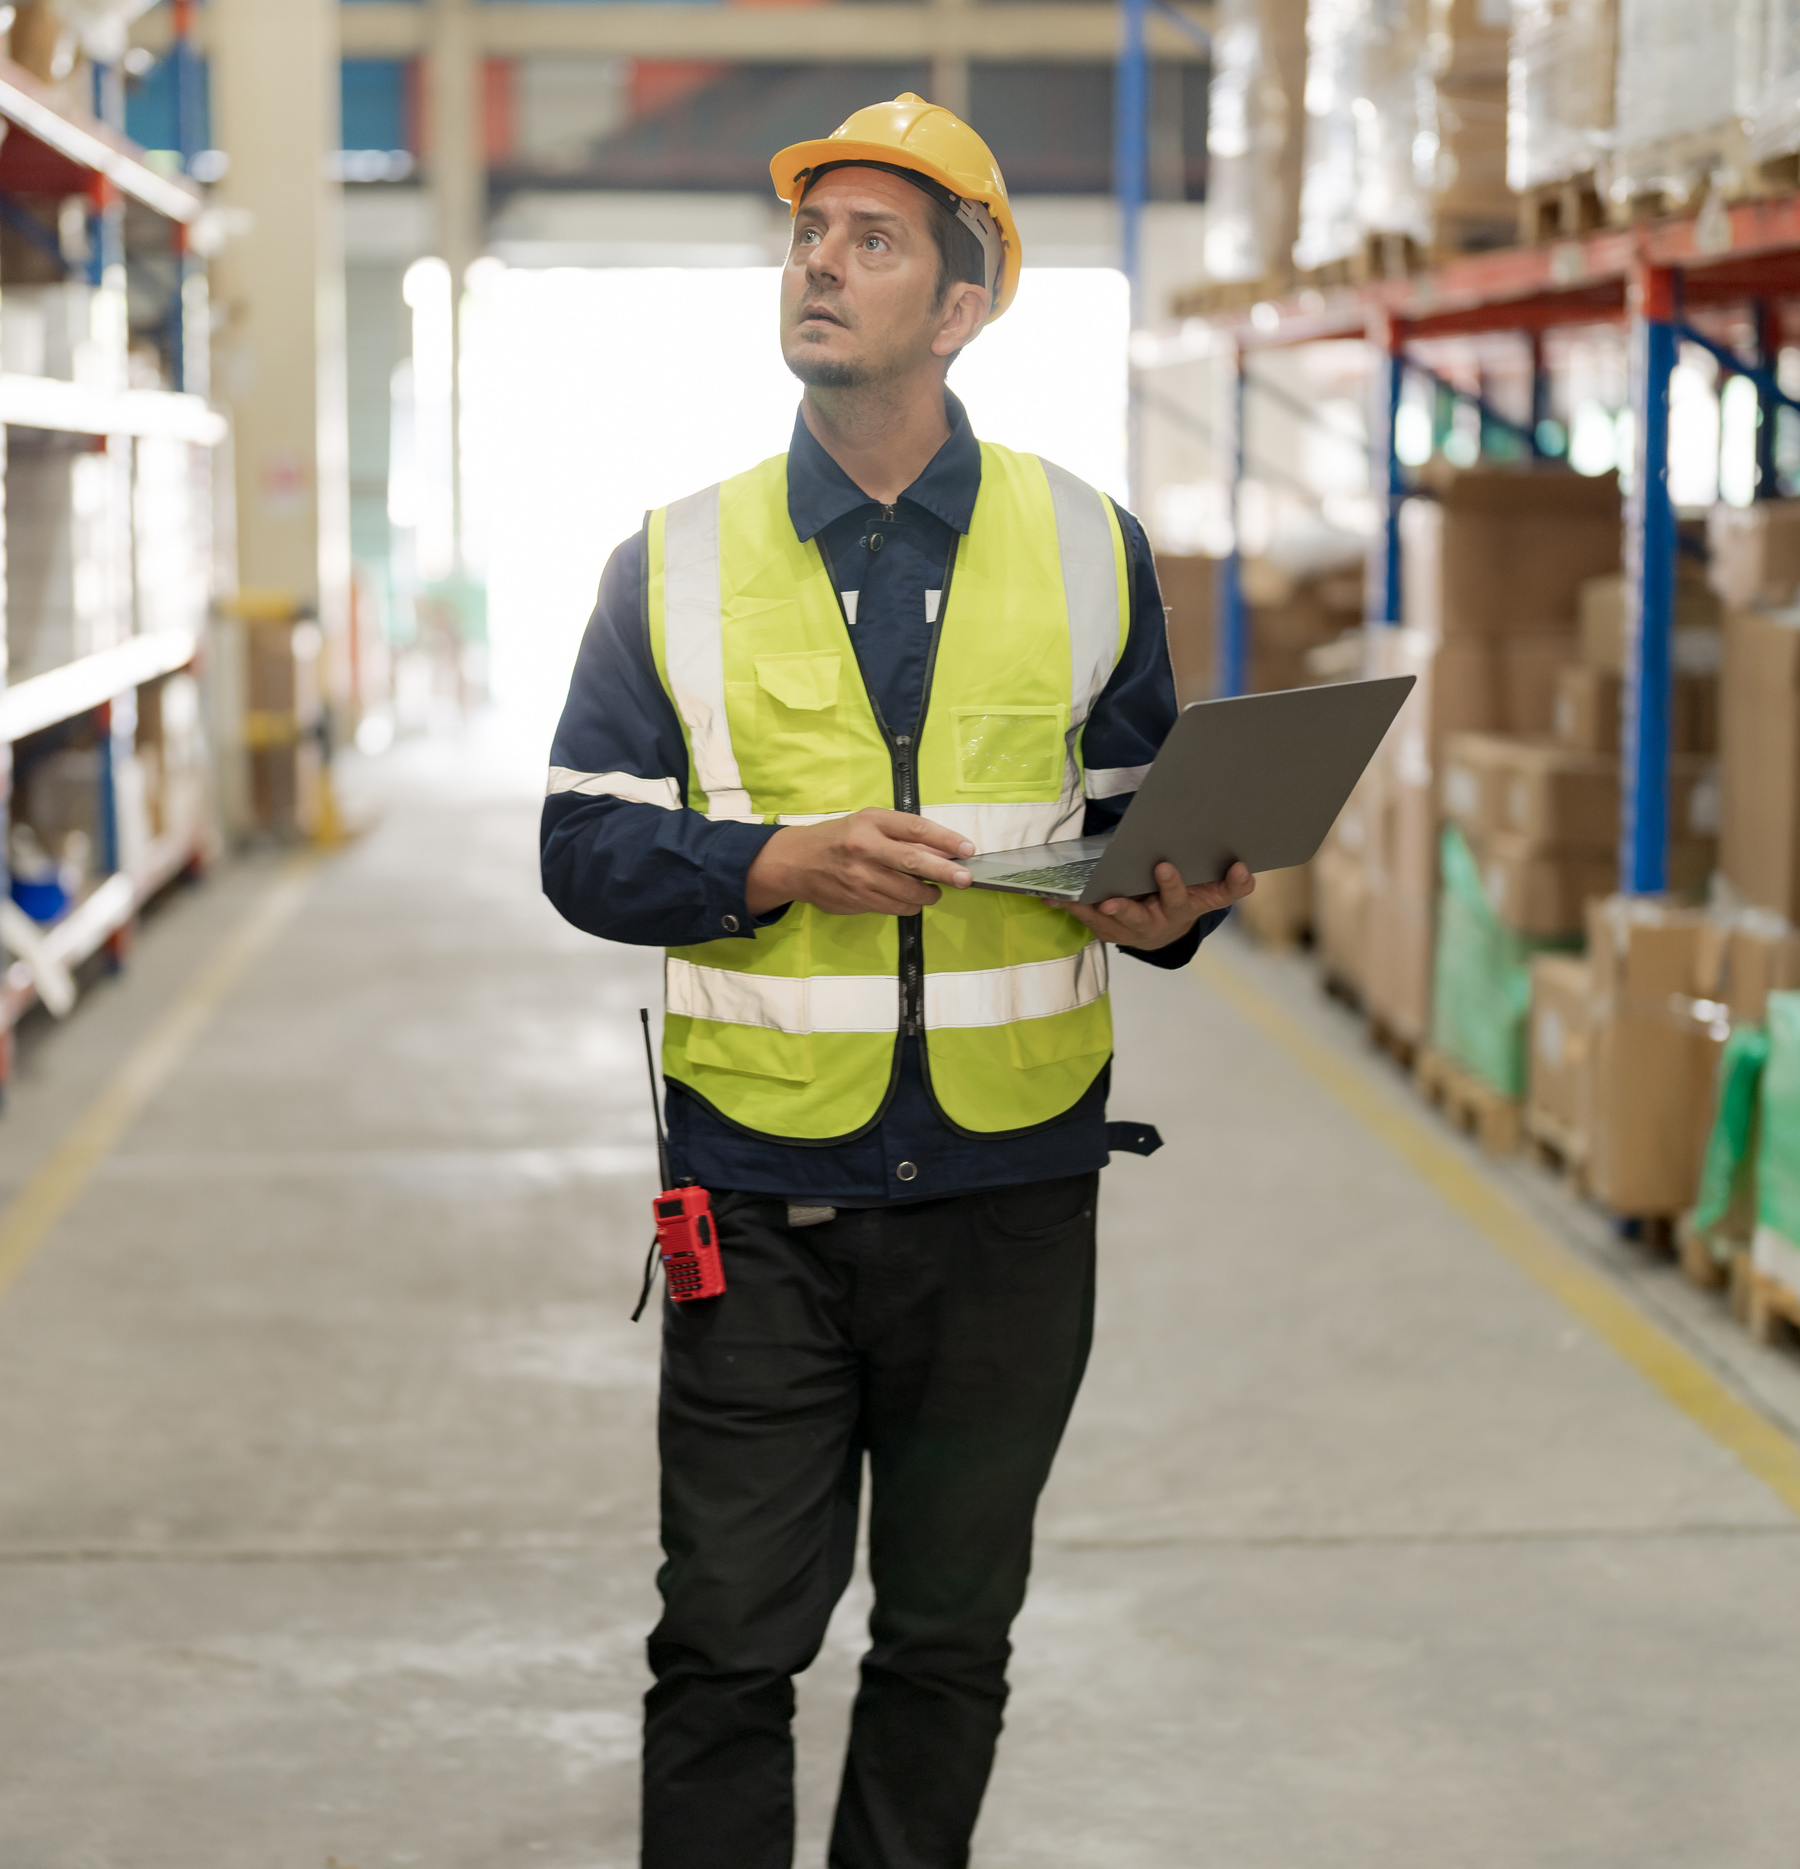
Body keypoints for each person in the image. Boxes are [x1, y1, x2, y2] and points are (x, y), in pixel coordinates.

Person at [538, 93, 1254, 1869]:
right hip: (761, 1195)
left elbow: (1134, 829)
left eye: (872, 242)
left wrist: (1176, 907)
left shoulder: (1087, 542)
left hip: (1012, 1195)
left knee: (947, 1638)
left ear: (962, 306)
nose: (821, 265)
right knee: (727, 1639)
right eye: (810, 234)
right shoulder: (672, 559)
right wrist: (770, 862)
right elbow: (580, 844)